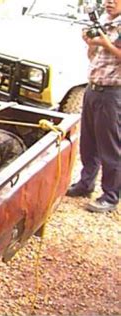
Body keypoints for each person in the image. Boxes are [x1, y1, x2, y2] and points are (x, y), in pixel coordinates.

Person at [66, 0, 121, 212]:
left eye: (114, 0)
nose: (108, 3)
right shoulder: (105, 22)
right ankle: (85, 184)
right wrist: (91, 44)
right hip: (93, 88)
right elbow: (95, 57)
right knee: (88, 142)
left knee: (110, 146)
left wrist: (107, 44)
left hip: (112, 93)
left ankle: (110, 196)